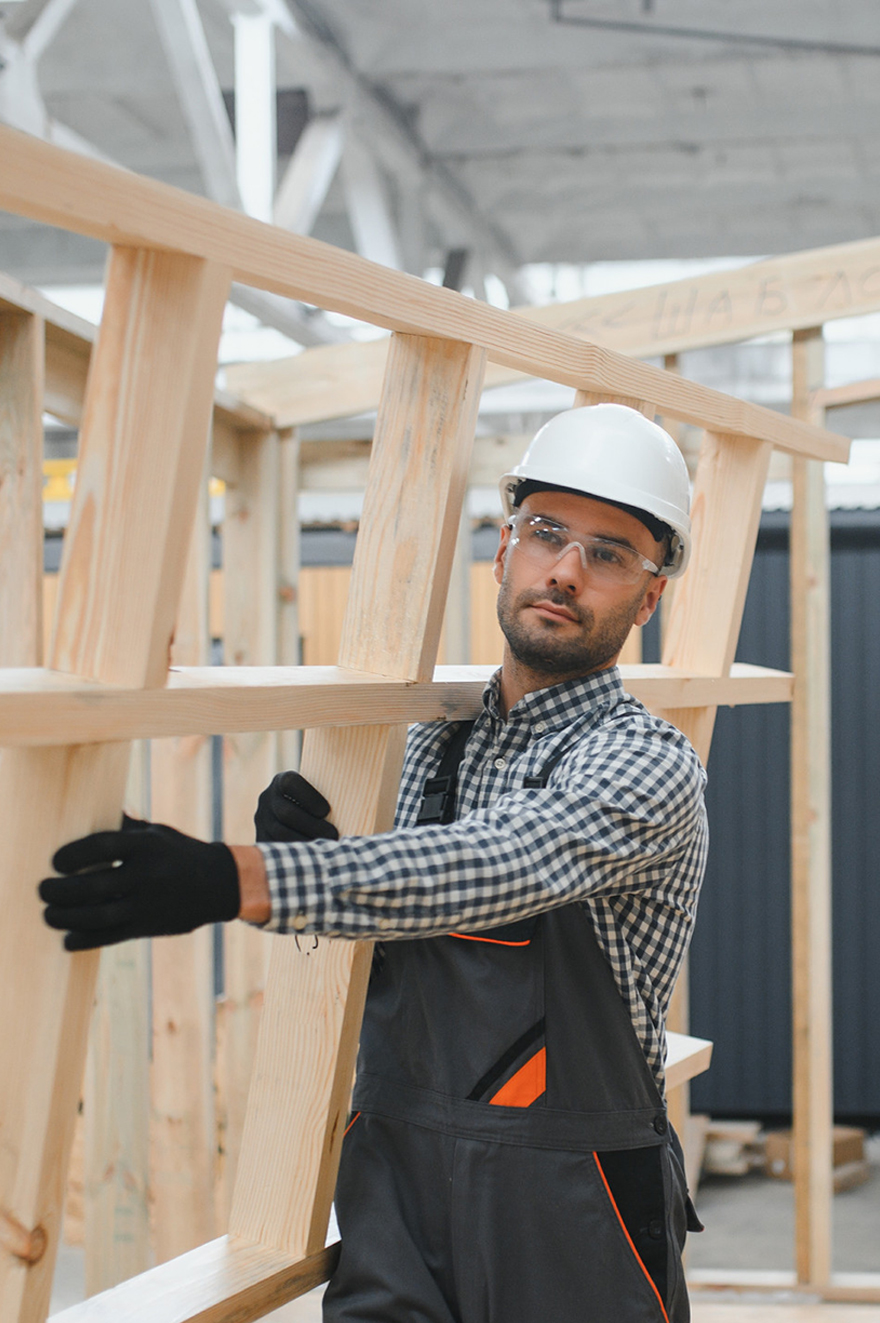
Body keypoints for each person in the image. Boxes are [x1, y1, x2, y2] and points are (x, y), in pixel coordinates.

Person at [40, 403, 708, 1323]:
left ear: (649, 594)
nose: (564, 570)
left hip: (572, 1206)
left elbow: (502, 860)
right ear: (506, 544)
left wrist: (237, 876)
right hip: (395, 1188)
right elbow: (398, 906)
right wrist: (325, 864)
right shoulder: (427, 745)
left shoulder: (648, 763)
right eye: (547, 532)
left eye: (609, 552)